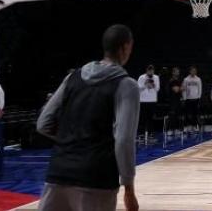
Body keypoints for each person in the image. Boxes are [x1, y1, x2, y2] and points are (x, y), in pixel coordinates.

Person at [36, 24, 139, 211]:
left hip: (58, 174)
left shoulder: (72, 78)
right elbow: (123, 140)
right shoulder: (126, 85)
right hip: (96, 179)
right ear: (125, 47)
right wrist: (129, 189)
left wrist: (72, 139)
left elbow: (43, 123)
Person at [137, 64, 160, 137]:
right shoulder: (141, 77)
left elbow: (157, 89)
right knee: (142, 118)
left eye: (152, 70)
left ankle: (151, 133)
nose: (151, 71)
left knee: (151, 118)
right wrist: (145, 84)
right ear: (146, 70)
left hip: (152, 100)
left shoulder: (156, 77)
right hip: (143, 101)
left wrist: (153, 85)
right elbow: (138, 88)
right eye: (149, 70)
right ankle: (141, 134)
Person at [182, 66, 202, 133]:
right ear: (190, 71)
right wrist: (184, 98)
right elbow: (184, 90)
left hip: (196, 99)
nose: (193, 72)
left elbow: (200, 89)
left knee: (195, 114)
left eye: (195, 71)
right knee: (187, 114)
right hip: (188, 99)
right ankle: (186, 127)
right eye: (192, 70)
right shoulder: (186, 79)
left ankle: (195, 127)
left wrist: (199, 98)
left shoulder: (198, 79)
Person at [168, 67, 183, 133]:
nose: (178, 72)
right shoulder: (171, 81)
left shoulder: (180, 80)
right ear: (173, 72)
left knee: (178, 114)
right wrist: (180, 88)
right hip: (172, 100)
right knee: (172, 115)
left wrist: (180, 88)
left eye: (178, 71)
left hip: (178, 99)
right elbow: (176, 90)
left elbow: (183, 88)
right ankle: (171, 129)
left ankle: (177, 129)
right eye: (176, 71)